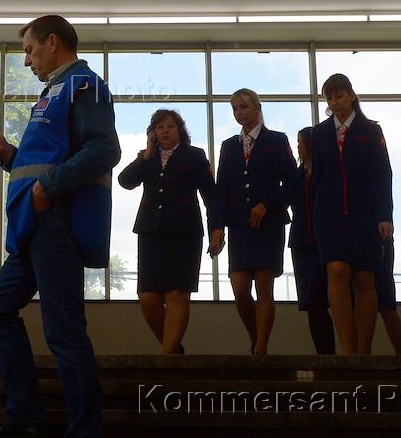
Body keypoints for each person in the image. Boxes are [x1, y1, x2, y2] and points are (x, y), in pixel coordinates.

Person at [0, 15, 120, 438]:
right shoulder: (53, 93)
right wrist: (8, 154)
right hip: (34, 225)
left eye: (30, 50)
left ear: (52, 42)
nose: (27, 61)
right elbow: (47, 158)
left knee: (65, 332)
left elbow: (105, 150)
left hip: (55, 223)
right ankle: (25, 416)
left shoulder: (85, 86)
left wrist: (47, 188)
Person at [117, 109, 214, 355]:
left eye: (170, 126)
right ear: (152, 133)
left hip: (184, 233)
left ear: (180, 130)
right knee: (148, 297)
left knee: (177, 294)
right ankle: (174, 350)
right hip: (151, 232)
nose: (165, 131)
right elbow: (125, 181)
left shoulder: (194, 156)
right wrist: (146, 156)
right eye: (159, 127)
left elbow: (211, 196)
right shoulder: (146, 158)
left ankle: (167, 358)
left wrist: (217, 230)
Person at [209, 89, 297, 354]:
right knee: (239, 287)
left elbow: (291, 182)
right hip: (239, 224)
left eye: (243, 107)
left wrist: (267, 203)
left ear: (257, 108)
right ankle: (255, 336)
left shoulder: (276, 140)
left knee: (264, 285)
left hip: (268, 224)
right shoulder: (229, 146)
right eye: (234, 108)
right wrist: (216, 228)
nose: (239, 113)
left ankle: (261, 348)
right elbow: (222, 189)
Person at [311, 73, 394, 356]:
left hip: (365, 214)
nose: (335, 102)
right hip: (329, 214)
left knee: (364, 278)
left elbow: (382, 173)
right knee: (336, 270)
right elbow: (317, 176)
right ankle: (347, 347)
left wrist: (385, 215)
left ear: (351, 95)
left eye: (339, 95)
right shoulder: (319, 133)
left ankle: (364, 350)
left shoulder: (370, 131)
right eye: (330, 97)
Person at [289, 126, 335, 355]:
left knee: (326, 297)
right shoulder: (296, 175)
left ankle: (336, 353)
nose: (298, 146)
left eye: (301, 142)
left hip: (324, 242)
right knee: (311, 301)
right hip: (301, 243)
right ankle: (324, 354)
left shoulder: (325, 173)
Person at [370, 239, 401, 355]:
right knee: (387, 306)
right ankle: (359, 354)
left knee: (387, 306)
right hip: (377, 240)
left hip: (379, 239)